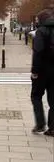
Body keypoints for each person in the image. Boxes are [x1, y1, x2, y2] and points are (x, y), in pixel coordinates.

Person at [30, 8, 54, 136]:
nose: (36, 22)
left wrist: (35, 71)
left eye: (37, 20)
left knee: (36, 96)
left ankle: (40, 124)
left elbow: (38, 52)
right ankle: (53, 128)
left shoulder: (41, 32)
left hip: (42, 71)